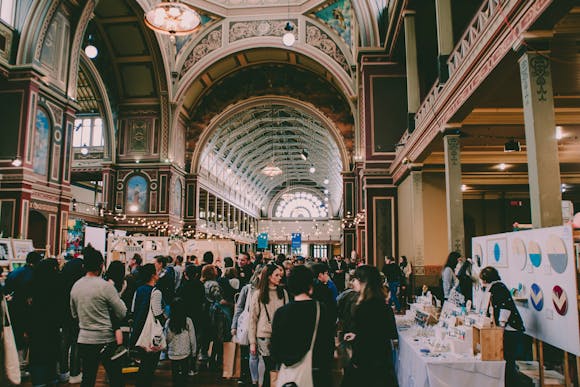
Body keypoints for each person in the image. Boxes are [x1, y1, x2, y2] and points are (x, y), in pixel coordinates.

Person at [70, 246, 127, 387]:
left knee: (88, 379)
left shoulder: (76, 286)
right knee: (116, 379)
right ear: (101, 265)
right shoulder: (105, 287)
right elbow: (122, 312)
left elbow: (74, 314)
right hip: (106, 340)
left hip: (84, 339)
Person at [270, 265, 334, 387]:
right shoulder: (320, 309)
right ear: (310, 287)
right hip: (317, 372)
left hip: (290, 376)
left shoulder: (281, 313)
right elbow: (327, 344)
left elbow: (275, 350)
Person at [342, 265, 398, 387]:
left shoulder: (363, 307)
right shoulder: (384, 305)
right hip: (382, 360)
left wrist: (356, 360)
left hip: (367, 361)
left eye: (355, 279)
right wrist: (357, 334)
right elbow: (387, 332)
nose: (353, 282)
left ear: (364, 281)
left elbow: (367, 338)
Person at [479, 266, 530, 386]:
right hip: (508, 329)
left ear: (485, 279)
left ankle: (510, 383)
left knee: (508, 360)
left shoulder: (498, 288)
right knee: (508, 360)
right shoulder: (496, 287)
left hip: (510, 329)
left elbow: (505, 308)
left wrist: (500, 327)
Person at [248, 263, 288, 387]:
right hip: (264, 337)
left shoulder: (283, 292)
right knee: (269, 366)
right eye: (276, 275)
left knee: (278, 367)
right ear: (269, 277)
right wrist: (252, 342)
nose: (280, 277)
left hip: (280, 336)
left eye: (280, 275)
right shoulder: (259, 294)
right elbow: (252, 319)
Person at [29, 258, 65, 387]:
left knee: (38, 355)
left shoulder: (34, 282)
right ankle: (51, 379)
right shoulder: (57, 282)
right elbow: (61, 306)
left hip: (36, 325)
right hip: (52, 326)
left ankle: (39, 381)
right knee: (51, 354)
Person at [5, 250, 42, 362]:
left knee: (17, 334)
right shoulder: (35, 275)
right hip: (29, 310)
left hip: (14, 308)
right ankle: (24, 361)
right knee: (30, 335)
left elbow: (7, 290)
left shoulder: (15, 272)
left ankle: (16, 361)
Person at [131, 263, 164, 387]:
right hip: (151, 332)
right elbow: (157, 312)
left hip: (139, 331)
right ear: (153, 275)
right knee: (150, 365)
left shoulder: (138, 290)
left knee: (143, 363)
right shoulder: (156, 292)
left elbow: (134, 310)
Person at [231, 268, 263, 386]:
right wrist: (234, 325)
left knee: (257, 353)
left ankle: (257, 379)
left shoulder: (270, 290)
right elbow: (239, 308)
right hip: (248, 325)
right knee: (248, 353)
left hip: (261, 326)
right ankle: (249, 377)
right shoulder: (247, 289)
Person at [165, 297, 196, 387]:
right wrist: (194, 352)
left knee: (175, 375)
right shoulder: (188, 321)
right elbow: (192, 338)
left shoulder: (169, 322)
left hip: (173, 353)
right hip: (185, 352)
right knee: (184, 374)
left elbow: (167, 338)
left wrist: (165, 349)